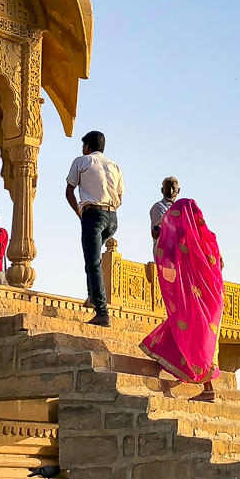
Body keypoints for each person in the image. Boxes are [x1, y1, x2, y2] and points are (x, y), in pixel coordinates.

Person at [140, 197, 223, 401]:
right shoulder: (209, 237)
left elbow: (166, 255)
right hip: (212, 300)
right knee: (197, 338)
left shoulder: (182, 236)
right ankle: (177, 368)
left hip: (196, 299)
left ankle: (208, 389)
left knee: (194, 339)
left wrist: (160, 233)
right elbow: (220, 264)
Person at [64, 130, 124, 327]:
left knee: (93, 262)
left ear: (87, 147)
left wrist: (79, 211)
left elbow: (69, 191)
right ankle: (92, 294)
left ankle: (102, 311)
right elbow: (120, 197)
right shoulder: (114, 166)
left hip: (93, 214)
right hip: (112, 217)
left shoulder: (82, 161)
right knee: (93, 255)